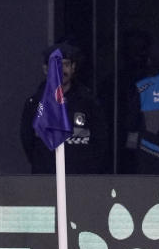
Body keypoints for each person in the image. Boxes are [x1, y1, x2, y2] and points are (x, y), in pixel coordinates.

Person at [20, 42, 110, 174]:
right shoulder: (34, 103)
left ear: (73, 68)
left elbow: (101, 141)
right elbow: (27, 141)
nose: (61, 70)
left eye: (66, 64)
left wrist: (88, 168)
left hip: (81, 180)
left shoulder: (88, 102)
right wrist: (43, 164)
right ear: (46, 69)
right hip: (45, 179)